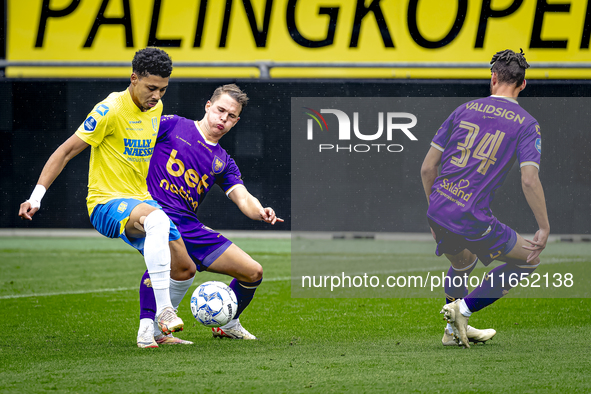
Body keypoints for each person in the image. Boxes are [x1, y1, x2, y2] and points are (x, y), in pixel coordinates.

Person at [19, 47, 196, 341]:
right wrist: (36, 196)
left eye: (163, 90)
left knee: (185, 268)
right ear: (133, 78)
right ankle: (165, 310)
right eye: (151, 88)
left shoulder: (156, 107)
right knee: (158, 221)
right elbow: (65, 152)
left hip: (141, 201)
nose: (157, 96)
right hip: (105, 202)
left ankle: (151, 332)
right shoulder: (109, 110)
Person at [136, 84, 283, 348]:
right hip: (155, 215)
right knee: (168, 264)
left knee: (253, 272)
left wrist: (260, 211)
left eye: (230, 116)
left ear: (236, 121)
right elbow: (132, 141)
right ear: (208, 106)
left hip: (190, 226)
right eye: (220, 110)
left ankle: (227, 324)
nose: (223, 119)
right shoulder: (172, 125)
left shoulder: (223, 160)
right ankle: (147, 329)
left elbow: (243, 196)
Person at [420, 49, 549, 348]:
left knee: (463, 262)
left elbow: (428, 168)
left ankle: (452, 333)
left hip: (438, 208)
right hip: (472, 216)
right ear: (523, 85)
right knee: (530, 260)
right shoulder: (527, 124)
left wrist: (435, 211)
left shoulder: (464, 109)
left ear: (492, 78)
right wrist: (544, 227)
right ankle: (462, 310)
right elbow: (529, 180)